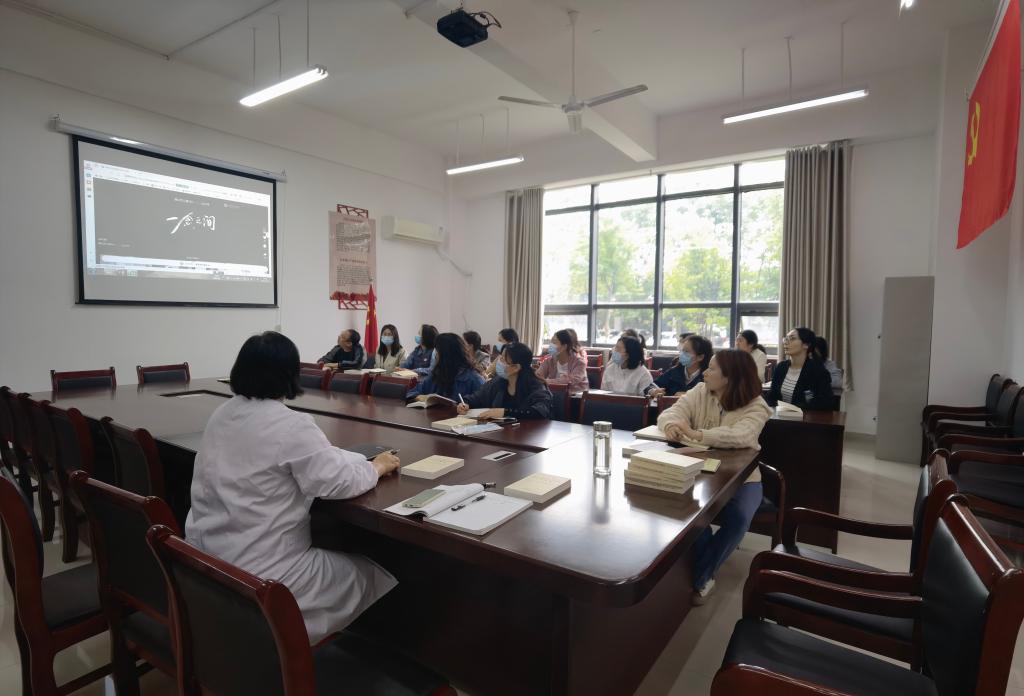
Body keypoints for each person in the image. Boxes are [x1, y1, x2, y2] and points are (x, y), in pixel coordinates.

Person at [186, 331, 401, 644]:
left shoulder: (222, 413)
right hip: (266, 575)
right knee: (371, 574)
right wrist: (376, 467)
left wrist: (349, 457)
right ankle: (361, 655)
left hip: (207, 560)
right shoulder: (290, 425)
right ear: (289, 374)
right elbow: (337, 482)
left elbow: (318, 460)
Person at [656, 349, 771, 605]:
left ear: (729, 376)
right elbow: (670, 413)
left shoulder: (756, 405)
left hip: (743, 477)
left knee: (739, 519)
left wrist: (697, 435)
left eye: (711, 368)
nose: (705, 373)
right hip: (700, 470)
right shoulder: (700, 391)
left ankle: (701, 575)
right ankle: (703, 571)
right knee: (691, 514)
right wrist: (672, 426)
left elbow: (742, 436)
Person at [458, 342, 553, 419]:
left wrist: (505, 412)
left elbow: (539, 411)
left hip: (529, 433)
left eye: (503, 359)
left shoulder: (536, 386)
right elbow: (476, 398)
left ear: (516, 367)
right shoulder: (498, 381)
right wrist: (465, 403)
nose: (499, 361)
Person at [766, 327, 834, 410]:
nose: (786, 342)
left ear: (806, 345)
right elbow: (772, 396)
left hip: (806, 416)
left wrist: (795, 409)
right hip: (780, 415)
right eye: (786, 339)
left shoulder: (818, 371)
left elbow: (826, 402)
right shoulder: (781, 367)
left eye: (792, 338)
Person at [406, 333, 486, 401]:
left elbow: (484, 408)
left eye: (437, 351)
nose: (435, 355)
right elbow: (412, 392)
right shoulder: (437, 374)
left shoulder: (474, 379)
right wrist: (418, 397)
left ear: (446, 355)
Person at [648, 335, 712, 398]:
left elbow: (712, 396)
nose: (682, 354)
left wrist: (689, 395)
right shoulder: (674, 371)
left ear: (700, 357)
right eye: (682, 351)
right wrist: (652, 391)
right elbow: (652, 385)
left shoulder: (708, 377)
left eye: (686, 352)